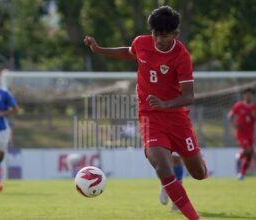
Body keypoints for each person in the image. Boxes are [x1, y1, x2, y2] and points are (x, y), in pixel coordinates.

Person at [84, 6, 207, 219]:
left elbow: (189, 96)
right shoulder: (142, 43)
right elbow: (128, 52)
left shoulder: (181, 56)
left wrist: (165, 104)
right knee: (160, 164)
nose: (159, 40)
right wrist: (100, 49)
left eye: (165, 35)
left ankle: (175, 179)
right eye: (156, 34)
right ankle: (191, 213)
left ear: (175, 34)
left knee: (199, 174)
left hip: (177, 117)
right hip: (149, 115)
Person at [228, 88, 256, 180]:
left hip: (251, 134)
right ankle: (240, 155)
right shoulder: (238, 105)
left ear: (253, 96)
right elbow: (230, 116)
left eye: (250, 94)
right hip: (241, 134)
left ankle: (241, 173)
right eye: (246, 94)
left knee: (250, 155)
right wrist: (234, 125)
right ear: (243, 95)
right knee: (247, 150)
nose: (248, 96)